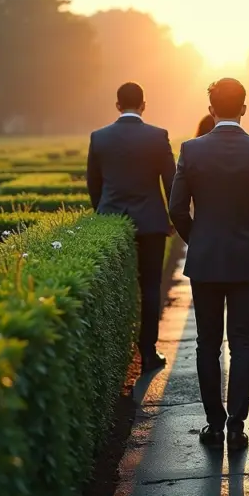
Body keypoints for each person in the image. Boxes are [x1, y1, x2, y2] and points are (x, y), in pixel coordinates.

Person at [169, 78, 249, 452]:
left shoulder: (191, 149)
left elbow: (175, 209)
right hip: (246, 260)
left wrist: (198, 241)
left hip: (206, 260)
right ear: (244, 108)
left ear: (211, 110)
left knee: (207, 344)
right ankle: (237, 427)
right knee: (242, 343)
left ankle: (214, 425)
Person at [87, 82, 176, 372]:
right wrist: (173, 218)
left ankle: (116, 353)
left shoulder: (99, 138)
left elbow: (93, 184)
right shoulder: (158, 136)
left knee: (116, 288)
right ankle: (148, 352)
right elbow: (171, 182)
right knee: (151, 286)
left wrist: (103, 212)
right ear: (143, 105)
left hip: (112, 219)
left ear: (117, 105)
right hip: (151, 222)